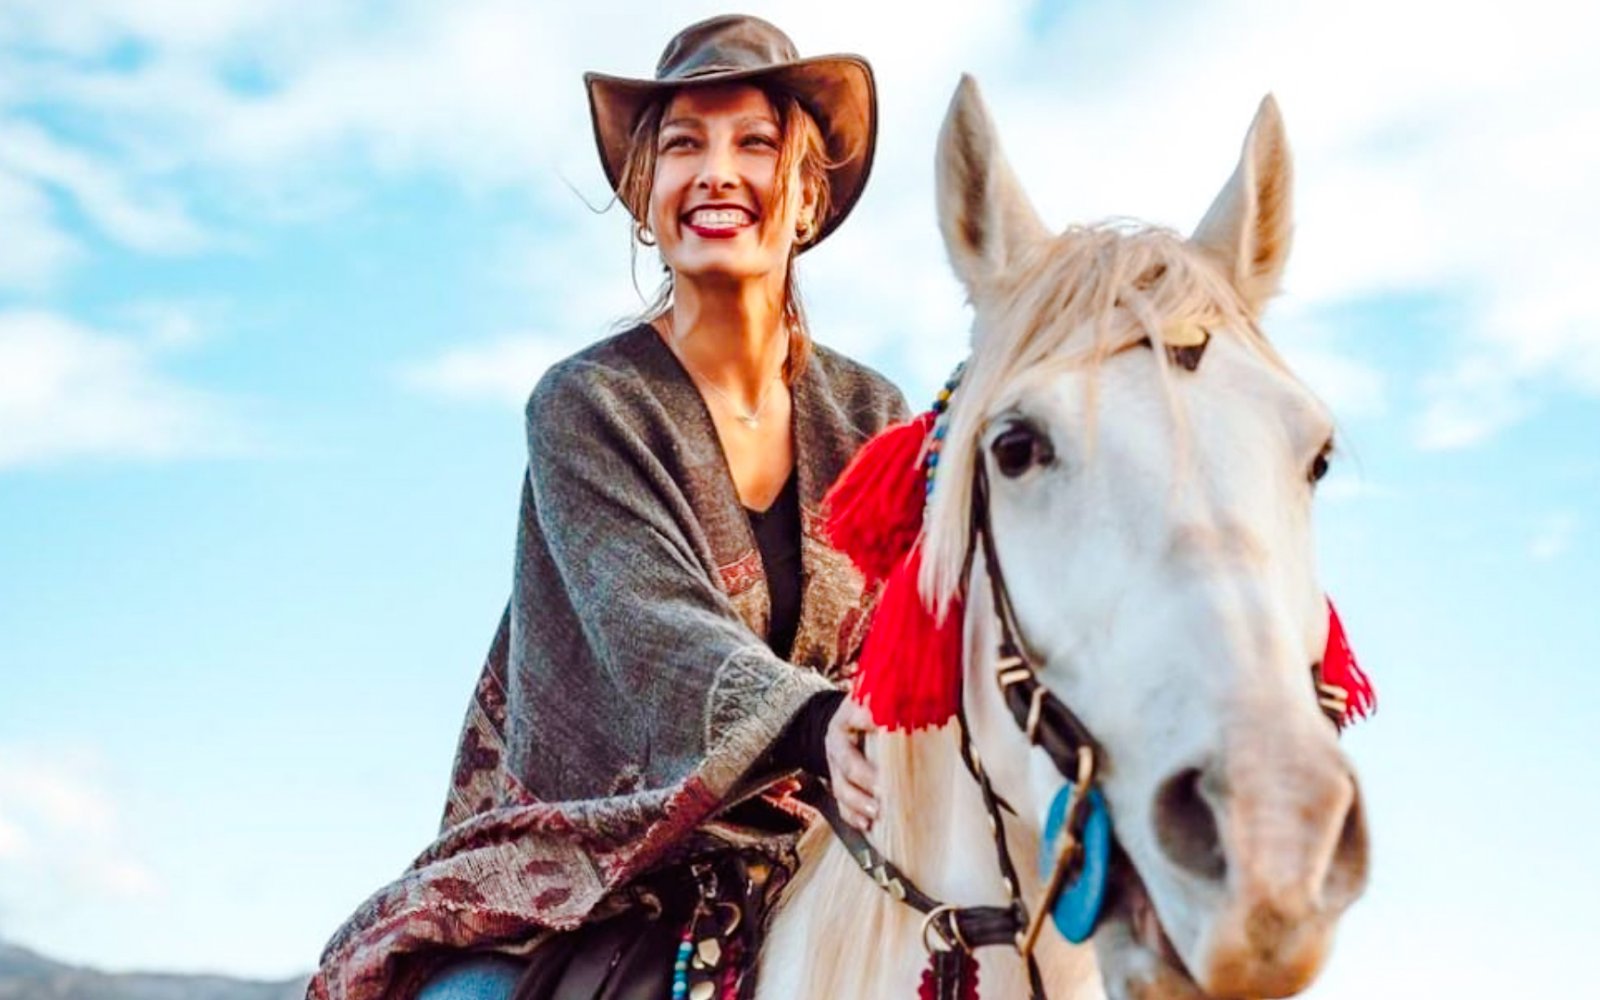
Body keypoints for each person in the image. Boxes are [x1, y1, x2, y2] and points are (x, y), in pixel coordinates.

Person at [308, 15, 907, 1000]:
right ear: (643, 200)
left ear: (805, 196)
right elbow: (646, 624)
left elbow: (918, 624)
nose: (716, 171)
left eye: (755, 143)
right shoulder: (586, 402)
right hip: (592, 857)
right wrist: (810, 722)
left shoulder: (873, 420)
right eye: (682, 145)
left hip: (831, 842)